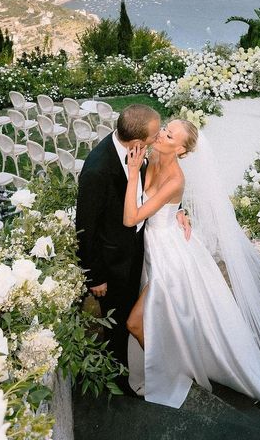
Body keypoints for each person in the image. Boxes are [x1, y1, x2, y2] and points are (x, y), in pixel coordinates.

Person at [123, 119, 260, 430]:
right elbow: (164, 207)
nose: (162, 134)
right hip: (155, 251)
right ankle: (174, 365)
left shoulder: (176, 179)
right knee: (159, 322)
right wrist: (179, 211)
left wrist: (132, 177)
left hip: (171, 263)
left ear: (181, 149)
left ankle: (172, 372)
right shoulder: (154, 155)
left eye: (169, 135)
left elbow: (132, 217)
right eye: (165, 128)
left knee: (135, 322)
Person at [76, 104, 190, 393]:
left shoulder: (143, 153)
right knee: (117, 325)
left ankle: (141, 370)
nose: (158, 137)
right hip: (111, 264)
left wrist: (178, 210)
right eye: (156, 134)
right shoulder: (97, 170)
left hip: (144, 250)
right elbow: (85, 229)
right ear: (139, 142)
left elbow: (163, 190)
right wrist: (94, 277)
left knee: (137, 315)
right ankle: (122, 381)